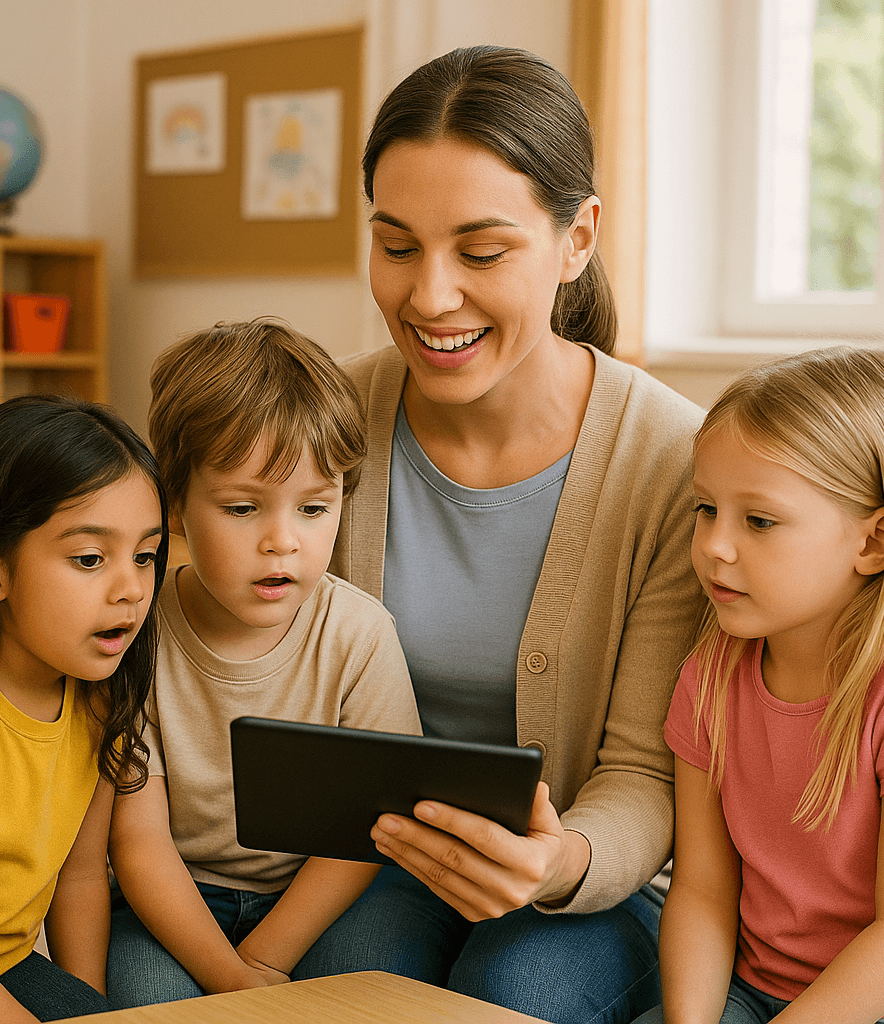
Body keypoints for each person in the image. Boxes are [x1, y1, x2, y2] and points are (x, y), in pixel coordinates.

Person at [290, 44, 708, 1024]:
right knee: (347, 993)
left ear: (576, 239)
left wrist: (557, 861)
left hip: (585, 881)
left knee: (512, 991)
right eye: (396, 247)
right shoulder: (324, 419)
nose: (430, 296)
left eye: (481, 252)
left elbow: (644, 769)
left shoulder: (673, 461)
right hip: (374, 859)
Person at [104, 318, 421, 1006]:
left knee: (371, 993)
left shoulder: (360, 635)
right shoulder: (136, 635)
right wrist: (234, 979)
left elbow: (371, 828)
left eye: (313, 507)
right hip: (176, 895)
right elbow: (140, 844)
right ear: (176, 507)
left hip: (328, 884)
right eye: (244, 507)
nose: (283, 543)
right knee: (143, 1004)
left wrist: (268, 957)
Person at [631, 345, 884, 1024]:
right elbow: (702, 890)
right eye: (706, 510)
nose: (714, 547)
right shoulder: (709, 678)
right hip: (752, 993)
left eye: (758, 521)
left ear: (874, 542)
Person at [0, 394, 169, 1024]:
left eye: (145, 555)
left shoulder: (102, 703)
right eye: (89, 559)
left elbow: (78, 882)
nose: (131, 588)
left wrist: (87, 1009)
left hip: (10, 969)